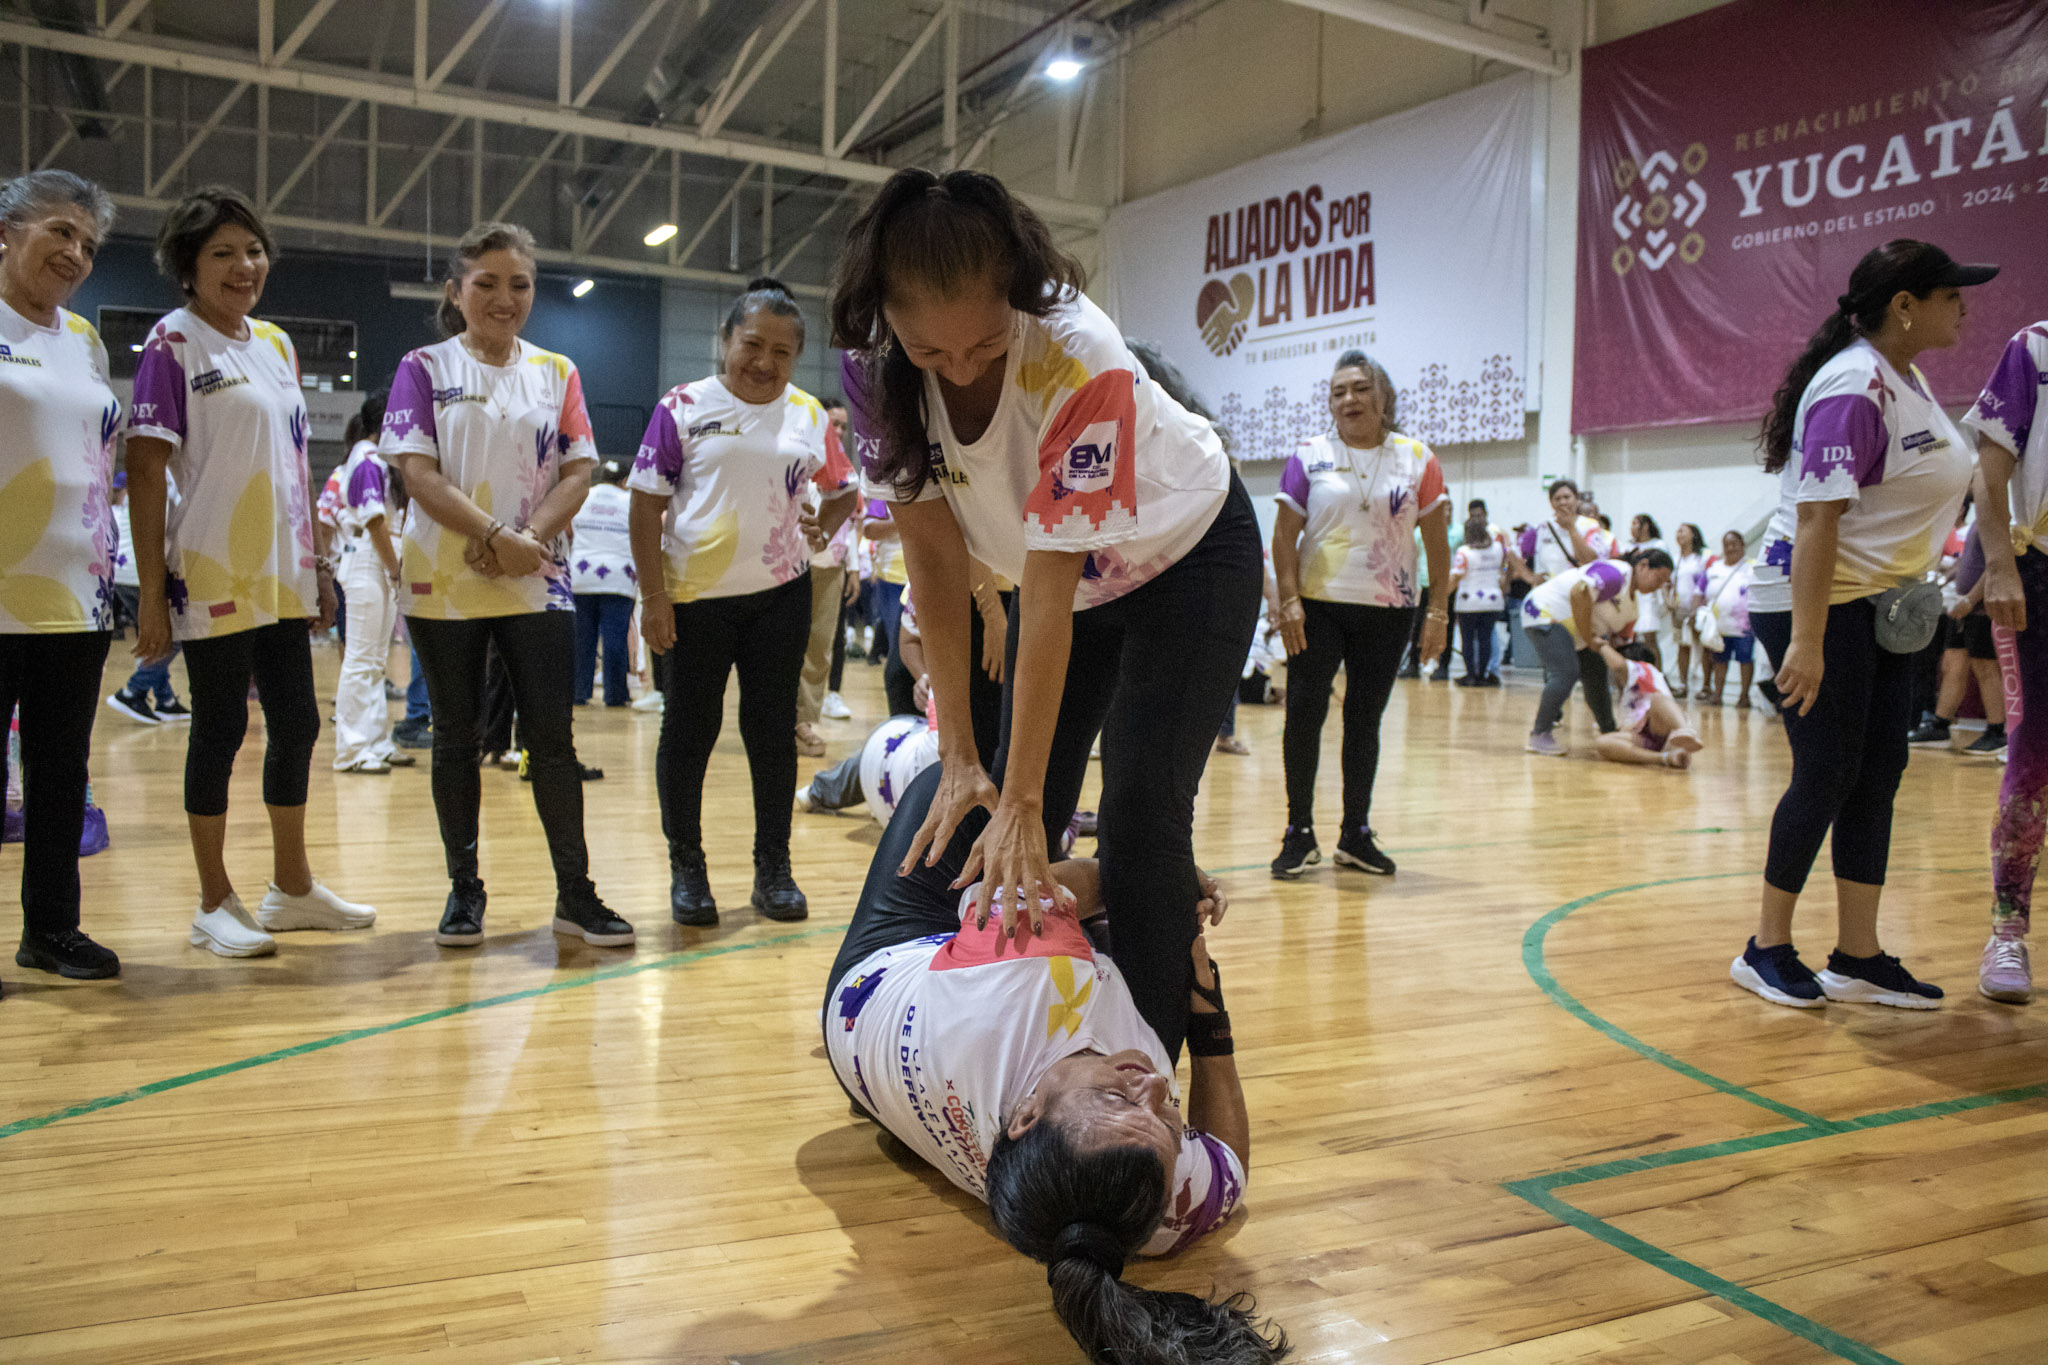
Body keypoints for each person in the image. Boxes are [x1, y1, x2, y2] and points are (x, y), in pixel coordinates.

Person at [829, 168, 1260, 1064]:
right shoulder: (871, 365)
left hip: (1187, 558)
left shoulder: (1079, 354)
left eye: (985, 343)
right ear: (889, 319)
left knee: (1137, 810)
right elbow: (934, 558)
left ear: (1018, 297)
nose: (960, 367)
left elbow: (1054, 586)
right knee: (988, 796)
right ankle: (997, 1026)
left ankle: (1144, 1072)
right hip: (1064, 579)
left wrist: (1025, 801)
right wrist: (959, 755)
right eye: (930, 351)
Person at [822, 765, 1283, 1365]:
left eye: (1117, 1098)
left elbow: (1063, 881)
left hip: (870, 995)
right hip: (901, 1077)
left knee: (964, 789)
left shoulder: (1023, 971)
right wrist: (1209, 1021)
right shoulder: (1141, 1204)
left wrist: (1160, 879)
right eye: (1171, 1122)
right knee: (1137, 933)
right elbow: (1231, 1165)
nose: (1151, 1083)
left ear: (1026, 1115)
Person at [1731, 239, 1994, 1011]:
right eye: (1951, 295)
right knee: (1826, 770)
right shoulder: (1854, 384)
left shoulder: (1906, 377)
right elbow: (1818, 520)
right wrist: (1807, 641)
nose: (1964, 307)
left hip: (1877, 602)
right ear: (1904, 306)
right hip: (1815, 600)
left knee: (1878, 771)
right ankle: (1765, 948)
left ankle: (1858, 953)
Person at [125, 185, 375, 957]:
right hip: (211, 570)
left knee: (298, 722)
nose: (244, 266)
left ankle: (291, 887)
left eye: (254, 250)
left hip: (283, 572)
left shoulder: (275, 344)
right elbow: (145, 471)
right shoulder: (172, 344)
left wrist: (319, 567)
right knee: (221, 726)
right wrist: (151, 594)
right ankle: (213, 900)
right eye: (223, 253)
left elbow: (296, 463)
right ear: (188, 266)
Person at [383, 220, 631, 950]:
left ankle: (576, 894)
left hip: (537, 579)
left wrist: (528, 542)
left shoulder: (558, 371)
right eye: (486, 283)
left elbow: (578, 471)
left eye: (519, 284)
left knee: (552, 740)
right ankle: (465, 891)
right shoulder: (423, 366)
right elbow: (417, 472)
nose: (504, 297)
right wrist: (496, 537)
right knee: (456, 738)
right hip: (443, 577)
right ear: (454, 291)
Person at [630, 277, 856, 927]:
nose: (764, 361)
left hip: (780, 597)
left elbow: (844, 489)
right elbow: (644, 506)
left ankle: (773, 869)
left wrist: (822, 527)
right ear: (725, 340)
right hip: (693, 599)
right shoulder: (682, 405)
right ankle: (688, 868)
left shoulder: (810, 415)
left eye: (782, 351)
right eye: (752, 344)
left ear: (797, 356)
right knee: (689, 733)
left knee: (773, 735)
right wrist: (654, 596)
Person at [0, 170, 126, 990]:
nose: (75, 253)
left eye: (87, 242)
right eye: (59, 232)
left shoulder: (82, 338)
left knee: (59, 771)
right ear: (6, 233)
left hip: (76, 593)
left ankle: (51, 928)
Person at [1269, 350, 1449, 877]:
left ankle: (1356, 833)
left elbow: (1437, 544)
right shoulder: (1310, 454)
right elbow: (1283, 536)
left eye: (1360, 388)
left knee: (1364, 720)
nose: (1349, 399)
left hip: (1389, 608)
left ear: (1383, 396)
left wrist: (1437, 612)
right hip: (1316, 606)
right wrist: (1288, 601)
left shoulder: (1418, 458)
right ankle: (1298, 832)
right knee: (1304, 716)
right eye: (1338, 391)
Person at [1964, 318, 2048, 1003]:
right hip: (2040, 577)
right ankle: (2007, 931)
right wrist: (1998, 564)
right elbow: (1988, 472)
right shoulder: (2035, 348)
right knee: (2031, 763)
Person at [1521, 549, 1674, 756]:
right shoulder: (1617, 573)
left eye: (1664, 582)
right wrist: (1590, 637)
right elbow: (1579, 592)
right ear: (1643, 565)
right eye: (1659, 577)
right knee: (1566, 671)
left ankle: (1609, 730)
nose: (1659, 585)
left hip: (1578, 633)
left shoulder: (1632, 611)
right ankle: (1540, 734)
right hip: (1544, 611)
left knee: (1596, 671)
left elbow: (1621, 658)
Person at [332, 389, 409, 773]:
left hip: (381, 558)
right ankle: (352, 748)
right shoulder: (366, 458)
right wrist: (394, 569)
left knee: (376, 661)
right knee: (361, 659)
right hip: (368, 558)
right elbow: (374, 520)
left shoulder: (380, 459)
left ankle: (375, 741)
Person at [795, 398, 857, 754]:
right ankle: (779, 718)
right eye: (834, 424)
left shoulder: (845, 468)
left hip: (832, 563)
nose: (839, 431)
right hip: (791, 561)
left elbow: (850, 522)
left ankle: (804, 720)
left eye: (843, 426)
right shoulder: (798, 451)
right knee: (787, 643)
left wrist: (853, 568)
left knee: (820, 646)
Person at [105, 470, 192, 723]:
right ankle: (133, 691)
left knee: (156, 638)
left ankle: (165, 700)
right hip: (140, 574)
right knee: (174, 636)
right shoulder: (165, 476)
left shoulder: (118, 506)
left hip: (121, 574)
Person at [569, 459, 638, 708]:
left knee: (582, 639)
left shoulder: (583, 497)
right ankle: (615, 695)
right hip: (619, 577)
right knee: (615, 639)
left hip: (581, 575)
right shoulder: (629, 501)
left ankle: (578, 692)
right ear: (625, 481)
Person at [1591, 642, 1703, 769]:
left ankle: (1684, 732)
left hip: (1660, 727)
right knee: (1602, 743)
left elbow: (1619, 666)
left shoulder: (1644, 668)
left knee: (1658, 700)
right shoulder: (1629, 690)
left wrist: (1599, 643)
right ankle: (1665, 757)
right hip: (1645, 736)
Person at [1696, 530, 1756, 708]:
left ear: (1743, 545)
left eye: (1734, 544)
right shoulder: (1713, 569)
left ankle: (1744, 696)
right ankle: (1717, 694)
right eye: (1726, 545)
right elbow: (1698, 591)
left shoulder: (1752, 568)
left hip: (1744, 627)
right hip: (1718, 627)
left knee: (1745, 660)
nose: (1730, 548)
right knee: (1719, 660)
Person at [1449, 511, 1506, 686]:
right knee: (1485, 638)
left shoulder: (1464, 552)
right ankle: (1482, 675)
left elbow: (1457, 575)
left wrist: (1443, 595)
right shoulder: (1497, 548)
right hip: (1492, 600)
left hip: (1468, 601)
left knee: (1467, 639)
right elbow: (1504, 567)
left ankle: (1470, 675)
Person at [1626, 514, 1672, 669]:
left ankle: (1658, 674)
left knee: (1649, 638)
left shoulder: (1658, 545)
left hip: (1650, 596)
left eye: (1635, 523)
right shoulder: (1629, 546)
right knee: (1629, 638)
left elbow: (1664, 574)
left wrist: (1667, 598)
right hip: (1632, 595)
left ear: (1645, 526)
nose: (1632, 527)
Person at [1670, 522, 1708, 697]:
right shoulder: (1675, 559)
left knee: (1703, 646)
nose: (1679, 534)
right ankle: (1683, 684)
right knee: (1681, 645)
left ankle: (1705, 686)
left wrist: (1696, 608)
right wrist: (1668, 601)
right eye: (1677, 531)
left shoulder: (1702, 558)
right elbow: (1667, 584)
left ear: (1693, 534)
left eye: (1683, 531)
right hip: (1678, 611)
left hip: (1698, 610)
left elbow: (1705, 582)